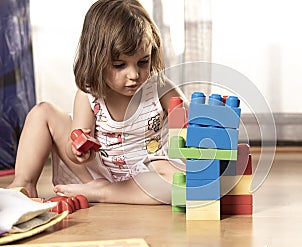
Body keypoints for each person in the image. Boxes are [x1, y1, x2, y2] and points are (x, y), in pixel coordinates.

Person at [8, 0, 186, 204]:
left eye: (142, 62)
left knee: (182, 185)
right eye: (120, 65)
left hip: (147, 171)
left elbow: (189, 126)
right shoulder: (89, 94)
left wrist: (187, 130)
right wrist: (78, 151)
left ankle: (105, 193)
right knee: (42, 112)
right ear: (96, 60)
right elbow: (76, 142)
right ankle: (23, 186)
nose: (134, 74)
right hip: (98, 171)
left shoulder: (161, 88)